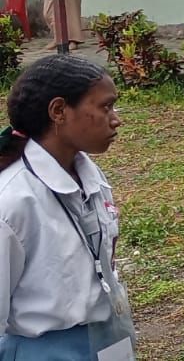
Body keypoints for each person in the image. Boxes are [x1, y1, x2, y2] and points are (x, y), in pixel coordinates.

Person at [0, 56, 133, 358]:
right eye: (105, 107)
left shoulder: (88, 174)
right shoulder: (12, 200)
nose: (116, 119)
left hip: (104, 337)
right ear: (59, 111)